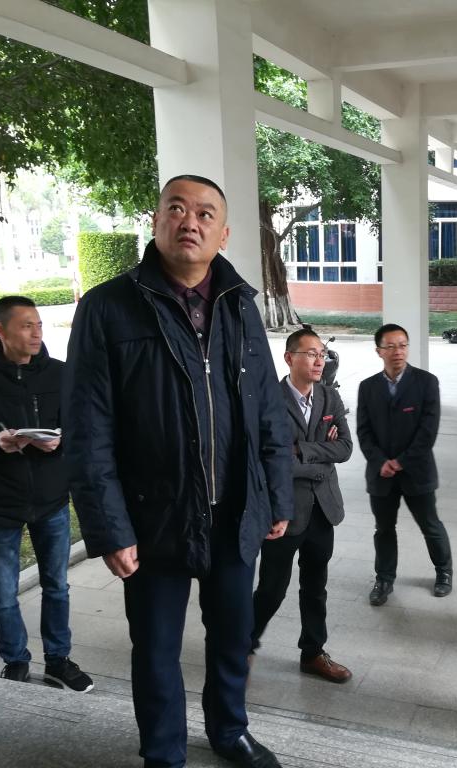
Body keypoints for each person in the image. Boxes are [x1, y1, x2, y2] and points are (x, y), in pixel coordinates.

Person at [63, 174, 293, 768]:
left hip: (236, 511)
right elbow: (87, 429)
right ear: (157, 220)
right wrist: (110, 528)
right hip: (153, 517)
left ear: (224, 233)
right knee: (156, 648)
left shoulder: (240, 304)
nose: (190, 221)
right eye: (177, 208)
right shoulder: (107, 308)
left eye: (205, 213)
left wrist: (277, 494)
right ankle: (163, 752)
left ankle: (229, 730)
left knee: (233, 637)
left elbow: (268, 408)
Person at [0, 296, 93, 692]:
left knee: (57, 587)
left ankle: (58, 660)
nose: (36, 333)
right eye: (26, 325)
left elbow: (84, 427)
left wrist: (60, 440)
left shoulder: (61, 373)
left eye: (39, 325)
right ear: (0, 329)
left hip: (52, 500)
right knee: (4, 594)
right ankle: (15, 661)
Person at [250, 328, 353, 683]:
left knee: (315, 587)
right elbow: (269, 459)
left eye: (321, 354)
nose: (319, 360)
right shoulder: (269, 400)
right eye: (310, 354)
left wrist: (299, 450)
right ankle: (242, 645)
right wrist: (319, 457)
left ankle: (312, 652)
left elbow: (345, 448)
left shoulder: (329, 397)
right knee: (271, 589)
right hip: (284, 511)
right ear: (289, 358)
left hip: (323, 509)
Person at [357, 323, 452, 606]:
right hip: (381, 474)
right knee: (384, 529)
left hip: (416, 471)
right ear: (379, 351)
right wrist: (380, 462)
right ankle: (384, 579)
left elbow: (428, 431)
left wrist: (400, 462)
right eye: (390, 346)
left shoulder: (426, 382)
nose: (398, 351)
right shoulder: (368, 387)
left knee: (430, 524)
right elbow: (363, 431)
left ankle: (444, 572)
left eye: (402, 345)